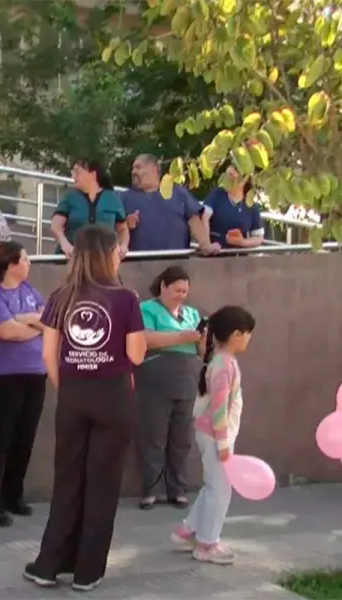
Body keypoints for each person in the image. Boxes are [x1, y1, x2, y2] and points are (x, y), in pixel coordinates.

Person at [24, 225, 146, 592]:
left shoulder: (61, 296)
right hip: (114, 398)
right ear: (110, 254)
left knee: (69, 481)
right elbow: (136, 354)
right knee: (102, 484)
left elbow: (48, 355)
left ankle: (48, 564)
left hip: (73, 398)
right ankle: (87, 571)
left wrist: (72, 388)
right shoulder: (126, 298)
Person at [171, 305, 256, 565]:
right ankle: (207, 544)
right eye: (247, 333)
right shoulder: (223, 365)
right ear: (236, 335)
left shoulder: (222, 361)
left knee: (213, 487)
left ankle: (189, 531)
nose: (249, 339)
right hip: (215, 436)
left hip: (212, 434)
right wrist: (223, 443)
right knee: (221, 491)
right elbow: (219, 408)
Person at [0, 241, 47, 527]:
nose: (29, 264)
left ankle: (14, 494)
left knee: (24, 439)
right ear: (10, 264)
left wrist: (27, 319)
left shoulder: (30, 291)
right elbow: (6, 331)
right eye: (25, 259)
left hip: (34, 374)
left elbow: (52, 321)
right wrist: (35, 325)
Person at [135, 266, 204, 511]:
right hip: (155, 378)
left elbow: (201, 350)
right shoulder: (146, 309)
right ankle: (150, 490)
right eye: (177, 290)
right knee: (153, 436)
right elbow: (145, 338)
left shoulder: (192, 314)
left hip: (186, 379)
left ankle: (178, 489)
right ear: (163, 286)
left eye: (185, 291)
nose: (181, 295)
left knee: (181, 439)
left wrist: (202, 338)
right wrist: (180, 338)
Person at [120, 154, 220, 254]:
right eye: (133, 169)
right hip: (138, 264)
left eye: (138, 167)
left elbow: (194, 221)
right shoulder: (124, 198)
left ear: (153, 169)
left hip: (176, 262)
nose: (133, 172)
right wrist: (125, 225)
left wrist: (206, 245)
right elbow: (112, 230)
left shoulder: (178, 193)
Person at [52, 160, 129, 257]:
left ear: (93, 174)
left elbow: (122, 228)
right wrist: (64, 243)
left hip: (103, 257)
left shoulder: (112, 198)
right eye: (73, 172)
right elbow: (56, 224)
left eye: (78, 172)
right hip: (73, 255)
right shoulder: (70, 197)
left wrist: (123, 245)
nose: (74, 176)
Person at [202, 166, 265, 249]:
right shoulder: (217, 194)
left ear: (245, 179)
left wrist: (243, 242)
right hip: (216, 254)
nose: (229, 181)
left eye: (232, 178)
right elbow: (204, 217)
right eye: (228, 176)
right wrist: (207, 244)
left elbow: (258, 237)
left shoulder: (250, 203)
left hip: (239, 257)